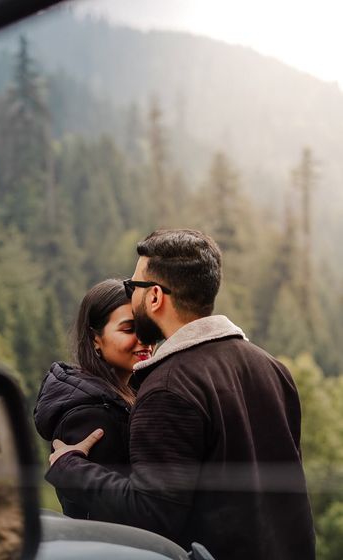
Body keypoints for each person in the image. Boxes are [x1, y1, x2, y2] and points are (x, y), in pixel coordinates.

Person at [46, 229, 316, 560]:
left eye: (133, 287)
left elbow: (151, 514)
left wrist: (69, 467)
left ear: (155, 296)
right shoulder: (272, 367)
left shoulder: (169, 387)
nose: (130, 297)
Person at [33, 278, 151, 519]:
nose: (144, 340)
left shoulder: (132, 390)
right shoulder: (92, 414)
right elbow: (105, 511)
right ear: (95, 338)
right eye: (129, 329)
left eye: (148, 328)